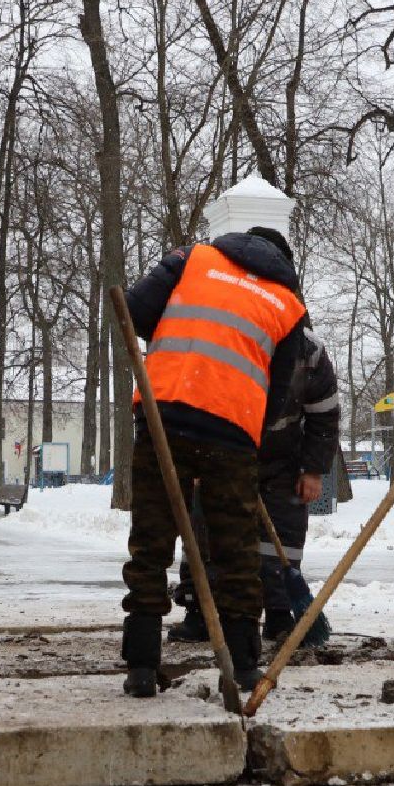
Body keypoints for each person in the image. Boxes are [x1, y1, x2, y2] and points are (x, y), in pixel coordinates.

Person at [119, 226, 315, 697]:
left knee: (151, 539)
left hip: (164, 411)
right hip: (232, 427)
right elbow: (278, 390)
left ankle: (141, 666)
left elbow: (135, 310)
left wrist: (181, 336)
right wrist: (246, 436)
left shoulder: (194, 259)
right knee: (236, 548)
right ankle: (244, 665)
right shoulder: (288, 305)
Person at [169, 290, 341, 645]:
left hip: (284, 458)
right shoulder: (228, 339)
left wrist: (312, 470)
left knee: (283, 537)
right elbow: (198, 400)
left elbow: (324, 415)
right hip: (225, 450)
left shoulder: (310, 353)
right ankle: (201, 611)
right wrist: (198, 458)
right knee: (207, 530)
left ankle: (278, 613)